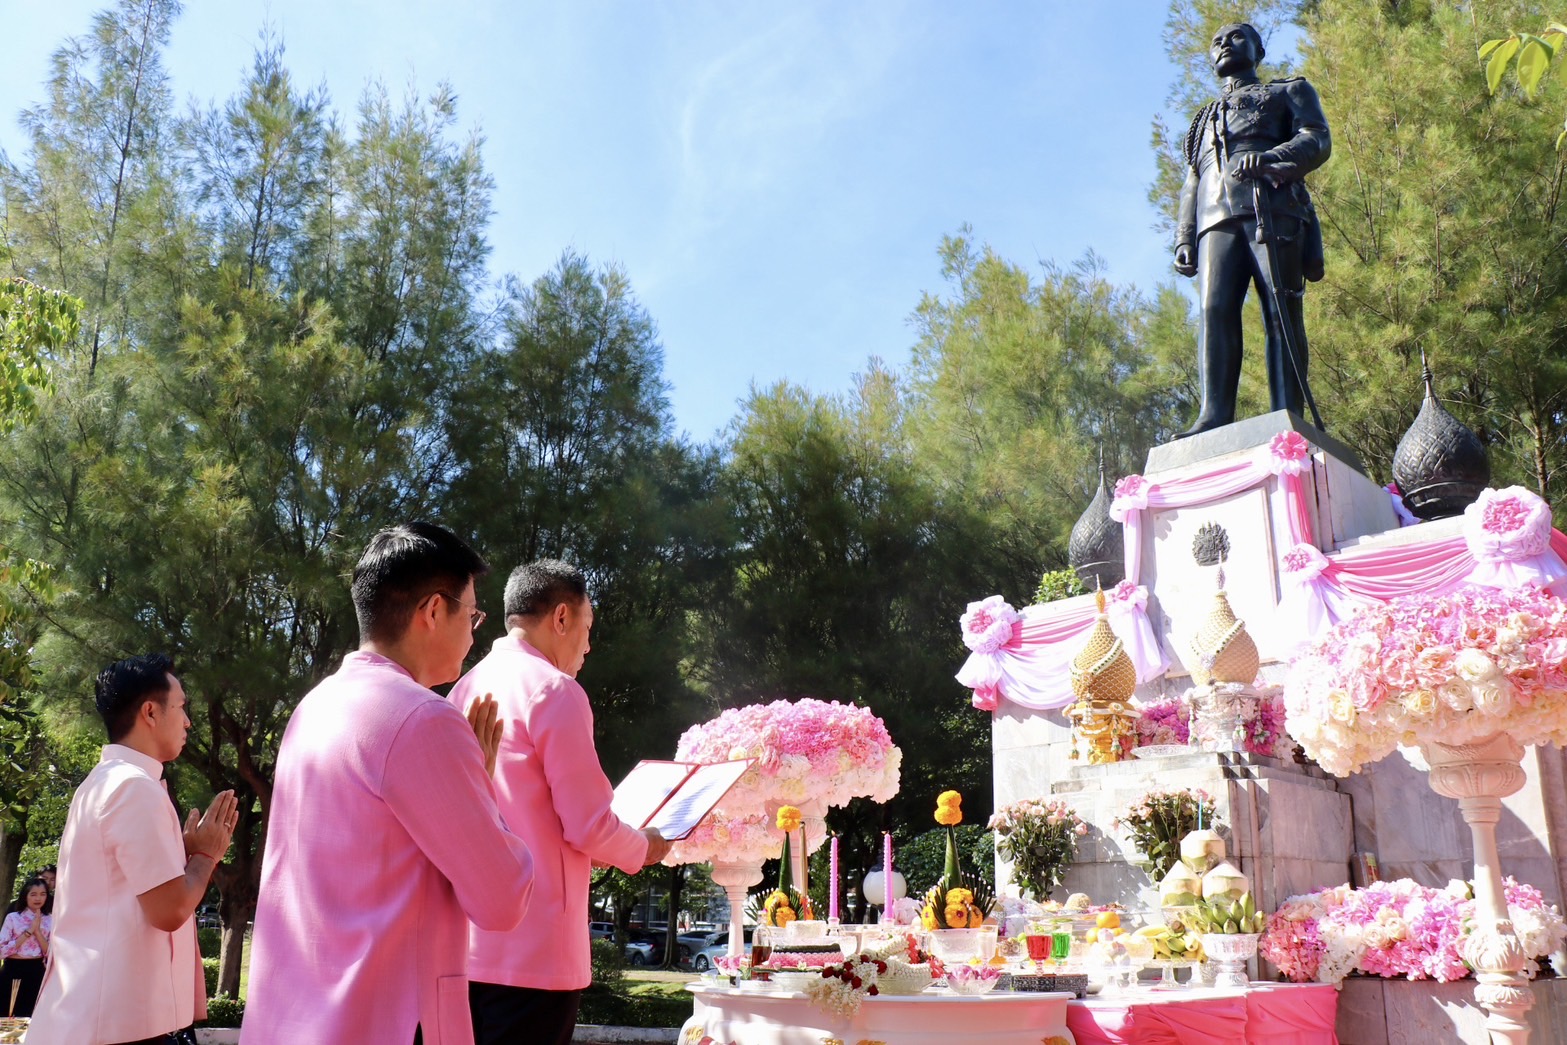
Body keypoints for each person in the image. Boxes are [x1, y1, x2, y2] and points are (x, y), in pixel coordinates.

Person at [245, 522, 535, 1045]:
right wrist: (484, 794)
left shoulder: (314, 707)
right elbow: (501, 899)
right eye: (471, 614)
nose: (474, 632)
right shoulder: (425, 718)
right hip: (388, 1020)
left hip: (296, 1016)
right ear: (432, 611)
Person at [449, 559, 672, 1045]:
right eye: (588, 628)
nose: (588, 646)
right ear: (562, 617)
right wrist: (646, 847)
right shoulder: (554, 689)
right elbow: (588, 825)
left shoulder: (464, 688)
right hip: (537, 947)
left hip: (466, 943)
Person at [27, 654, 238, 1045]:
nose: (188, 721)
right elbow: (169, 909)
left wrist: (183, 853)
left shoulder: (109, 781)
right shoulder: (134, 787)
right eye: (181, 707)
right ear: (150, 713)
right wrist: (206, 855)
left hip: (98, 1016)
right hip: (114, 1026)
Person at [1173, 22, 1331, 437]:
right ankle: (1213, 414)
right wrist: (1184, 236)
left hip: (1271, 208)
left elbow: (1317, 137)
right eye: (1216, 40)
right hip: (1213, 218)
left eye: (1237, 36)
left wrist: (1270, 158)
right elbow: (1192, 179)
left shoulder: (1288, 91)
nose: (1225, 43)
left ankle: (1286, 415)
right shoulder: (1201, 120)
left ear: (1259, 51)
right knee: (1214, 310)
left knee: (1280, 310)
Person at [0, 877, 50, 1017]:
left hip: (37, 970)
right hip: (13, 969)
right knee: (6, 1014)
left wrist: (38, 931)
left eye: (43, 894)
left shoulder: (51, 919)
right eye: (33, 894)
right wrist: (28, 931)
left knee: (31, 1014)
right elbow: (1, 951)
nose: (38, 898)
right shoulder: (12, 918)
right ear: (25, 896)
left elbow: (50, 952)